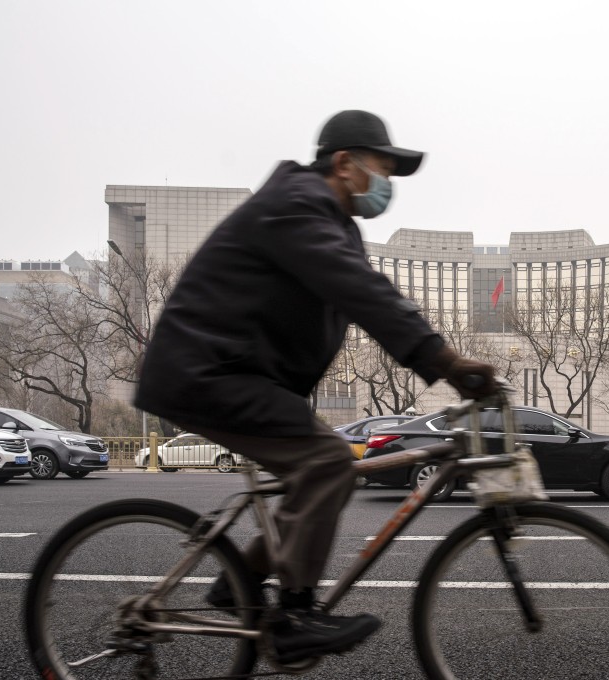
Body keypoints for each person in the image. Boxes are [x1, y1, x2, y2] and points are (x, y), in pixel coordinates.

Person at [134, 110, 497, 664]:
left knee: (318, 473)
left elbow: (372, 293)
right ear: (345, 162)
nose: (388, 183)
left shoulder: (331, 222)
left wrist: (434, 353)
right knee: (328, 461)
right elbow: (360, 292)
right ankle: (293, 616)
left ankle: (239, 584)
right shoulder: (297, 205)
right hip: (206, 373)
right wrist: (444, 361)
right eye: (384, 167)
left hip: (233, 373)